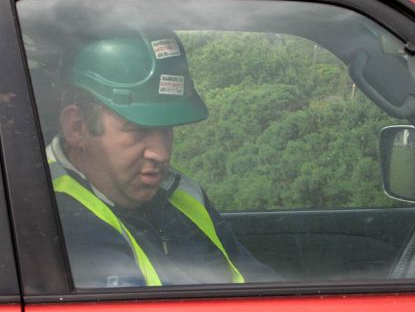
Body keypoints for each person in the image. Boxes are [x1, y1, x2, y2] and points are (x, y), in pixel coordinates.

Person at [46, 28, 278, 287]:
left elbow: (260, 284)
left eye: (167, 129)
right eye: (138, 130)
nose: (162, 153)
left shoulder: (184, 193)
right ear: (77, 127)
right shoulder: (50, 214)